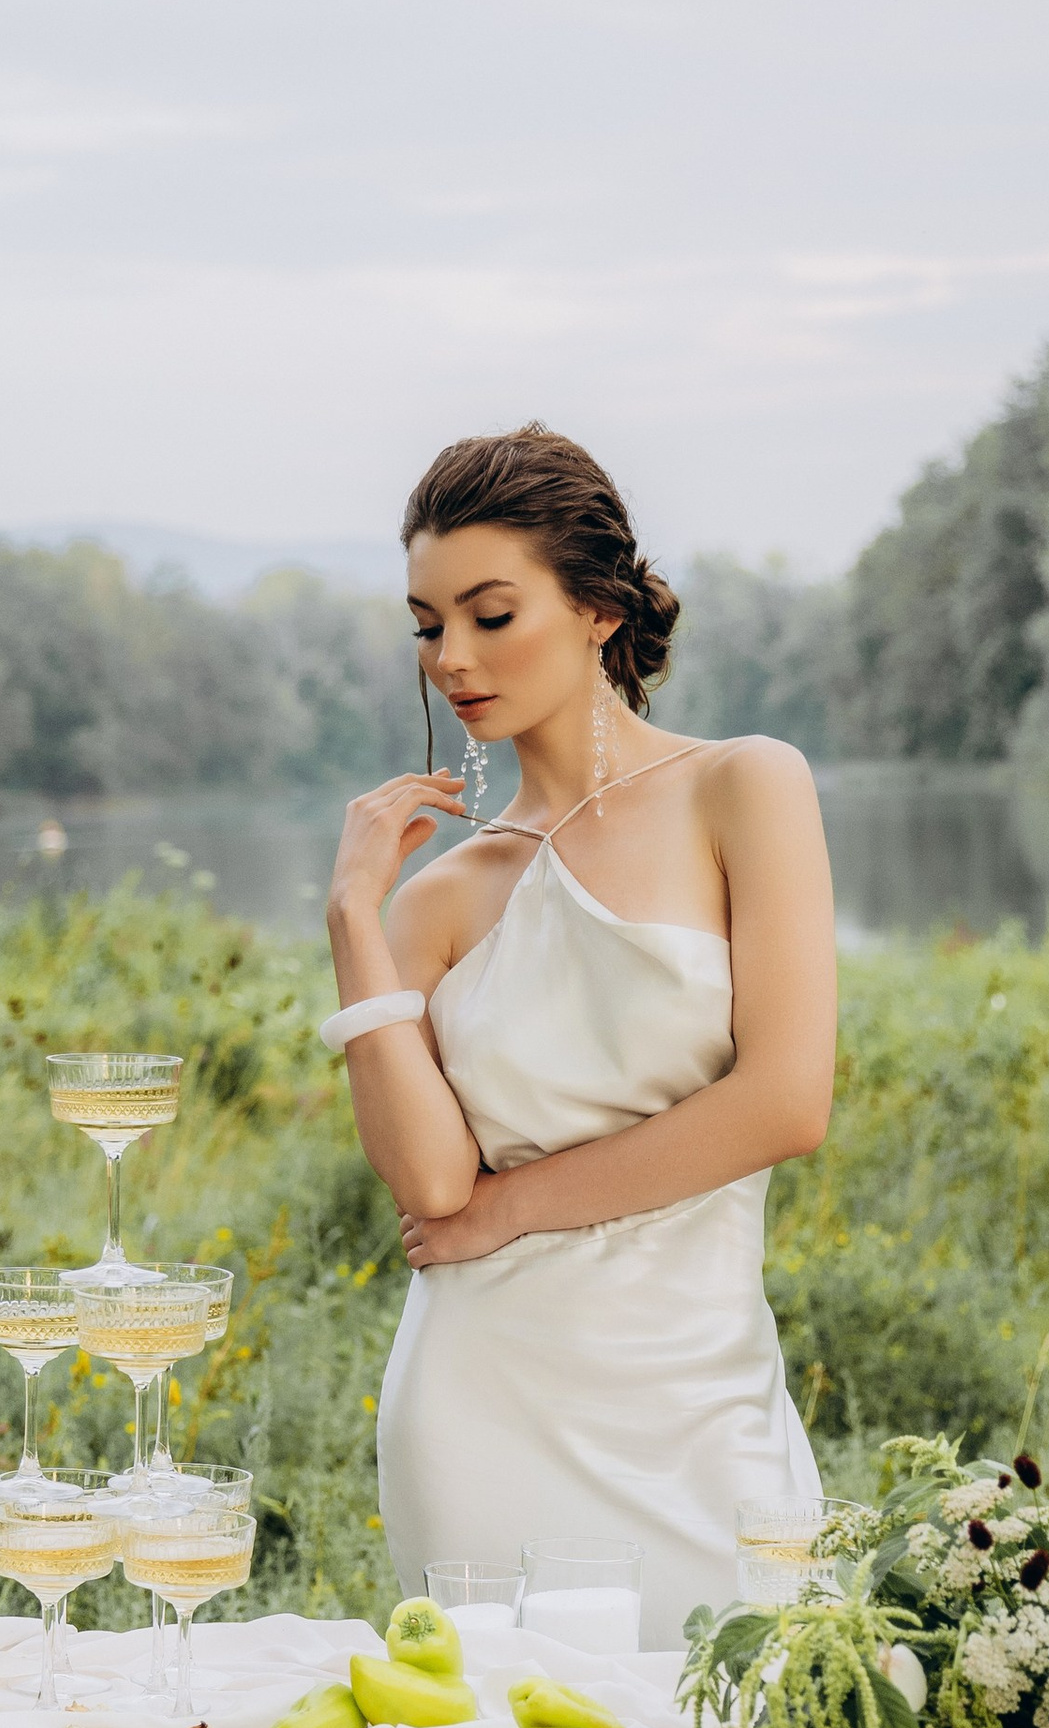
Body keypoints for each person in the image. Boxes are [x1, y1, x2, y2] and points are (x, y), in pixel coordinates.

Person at [323, 424, 838, 1650]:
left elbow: (782, 1103)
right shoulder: (438, 899)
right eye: (427, 624)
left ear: (600, 608)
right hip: (481, 1407)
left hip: (703, 1401)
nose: (452, 658)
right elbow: (430, 1182)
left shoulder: (742, 788)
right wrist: (350, 911)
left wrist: (510, 1209)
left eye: (490, 615)